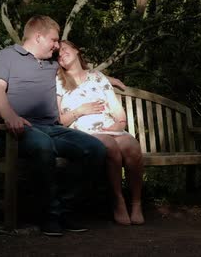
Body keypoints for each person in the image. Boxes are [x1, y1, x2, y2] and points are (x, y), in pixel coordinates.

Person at [0, 16, 107, 236]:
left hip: (53, 129)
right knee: (42, 144)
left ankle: (64, 209)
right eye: (54, 39)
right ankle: (49, 215)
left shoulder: (52, 64)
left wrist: (110, 79)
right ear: (38, 37)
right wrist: (10, 116)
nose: (57, 45)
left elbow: (79, 73)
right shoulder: (5, 57)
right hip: (17, 130)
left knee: (96, 149)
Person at [56, 40, 145, 225]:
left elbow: (117, 111)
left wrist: (119, 124)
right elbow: (60, 121)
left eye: (65, 49)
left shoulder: (97, 76)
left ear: (76, 49)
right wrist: (80, 110)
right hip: (83, 132)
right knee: (110, 146)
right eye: (58, 54)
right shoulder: (58, 82)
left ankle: (136, 204)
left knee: (132, 148)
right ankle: (118, 200)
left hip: (110, 128)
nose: (61, 54)